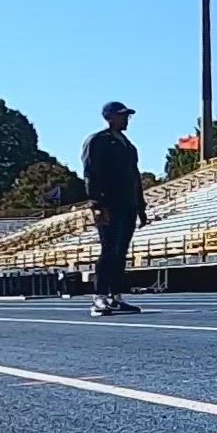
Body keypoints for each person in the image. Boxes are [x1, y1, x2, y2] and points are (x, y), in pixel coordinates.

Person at [81, 101, 150, 316]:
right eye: (122, 116)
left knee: (121, 253)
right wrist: (97, 204)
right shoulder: (98, 141)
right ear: (110, 117)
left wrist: (141, 206)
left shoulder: (129, 146)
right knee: (108, 250)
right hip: (109, 203)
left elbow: (135, 177)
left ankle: (116, 295)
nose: (126, 120)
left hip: (127, 204)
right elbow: (91, 172)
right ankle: (99, 297)